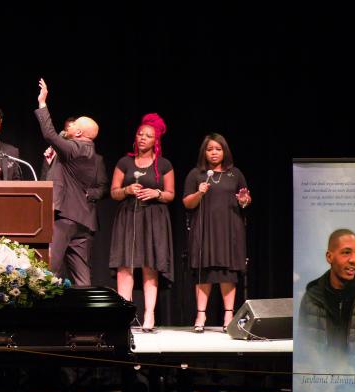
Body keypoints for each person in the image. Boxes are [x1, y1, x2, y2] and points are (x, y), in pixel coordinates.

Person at [35, 78, 108, 286]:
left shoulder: (75, 149)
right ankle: (88, 316)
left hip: (65, 218)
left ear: (78, 133)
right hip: (82, 221)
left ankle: (41, 314)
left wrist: (43, 102)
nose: (69, 126)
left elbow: (49, 134)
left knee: (48, 269)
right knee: (82, 277)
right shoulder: (90, 153)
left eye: (74, 125)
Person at [107, 113, 175, 331]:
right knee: (125, 265)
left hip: (153, 218)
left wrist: (156, 193)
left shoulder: (164, 164)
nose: (143, 138)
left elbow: (171, 194)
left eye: (148, 135)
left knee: (149, 265)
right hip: (128, 216)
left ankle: (149, 315)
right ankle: (123, 314)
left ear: (156, 141)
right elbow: (114, 192)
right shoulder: (124, 162)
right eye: (140, 134)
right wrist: (127, 190)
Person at [182, 133, 251, 332]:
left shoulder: (235, 174)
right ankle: (200, 316)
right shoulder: (196, 174)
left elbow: (245, 200)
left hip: (230, 229)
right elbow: (187, 203)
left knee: (227, 272)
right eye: (210, 149)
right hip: (204, 229)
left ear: (224, 151)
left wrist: (244, 200)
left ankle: (228, 315)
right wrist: (199, 192)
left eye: (218, 149)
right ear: (204, 152)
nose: (214, 152)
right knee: (205, 271)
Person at [298, 229, 355, 361]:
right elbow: (303, 348)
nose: (354, 260)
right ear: (329, 257)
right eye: (346, 252)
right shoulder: (311, 298)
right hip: (319, 378)